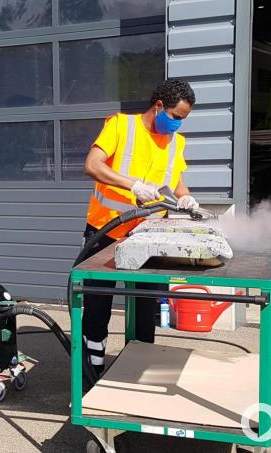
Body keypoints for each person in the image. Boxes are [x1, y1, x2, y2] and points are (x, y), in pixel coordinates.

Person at [80, 78, 198, 375]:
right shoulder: (121, 126)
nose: (178, 125)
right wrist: (133, 185)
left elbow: (178, 184)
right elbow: (92, 165)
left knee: (147, 304)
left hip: (148, 236)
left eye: (183, 120)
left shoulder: (175, 142)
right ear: (159, 106)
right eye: (176, 117)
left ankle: (141, 363)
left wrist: (186, 198)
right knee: (97, 302)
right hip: (106, 231)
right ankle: (92, 364)